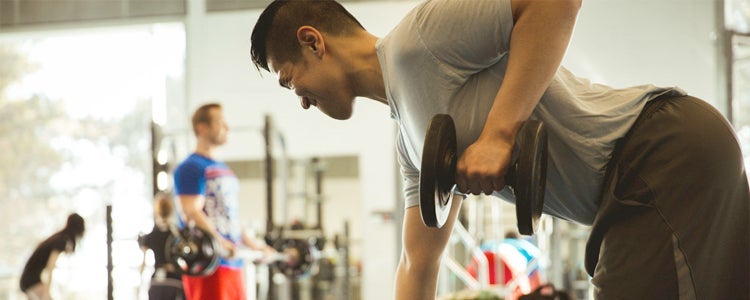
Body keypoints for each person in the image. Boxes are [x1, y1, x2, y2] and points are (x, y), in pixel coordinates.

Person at [249, 0, 750, 299]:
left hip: (660, 151)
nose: (302, 102)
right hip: (637, 183)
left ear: (313, 41)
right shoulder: (409, 139)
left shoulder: (416, 44)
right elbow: (416, 263)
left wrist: (498, 135)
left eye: (291, 81)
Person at [173, 102, 276, 300]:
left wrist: (255, 246)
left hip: (233, 261)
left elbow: (232, 218)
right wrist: (220, 243)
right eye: (221, 123)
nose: (227, 128)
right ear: (203, 128)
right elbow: (191, 213)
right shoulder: (191, 167)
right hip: (210, 264)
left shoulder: (224, 170)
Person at [19, 213, 85, 300]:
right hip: (31, 280)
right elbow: (50, 267)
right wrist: (47, 292)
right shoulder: (62, 240)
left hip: (28, 279)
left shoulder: (59, 238)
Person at [138, 192, 184, 300]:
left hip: (158, 282)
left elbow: (143, 264)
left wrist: (140, 284)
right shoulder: (177, 234)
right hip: (175, 281)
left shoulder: (150, 236)